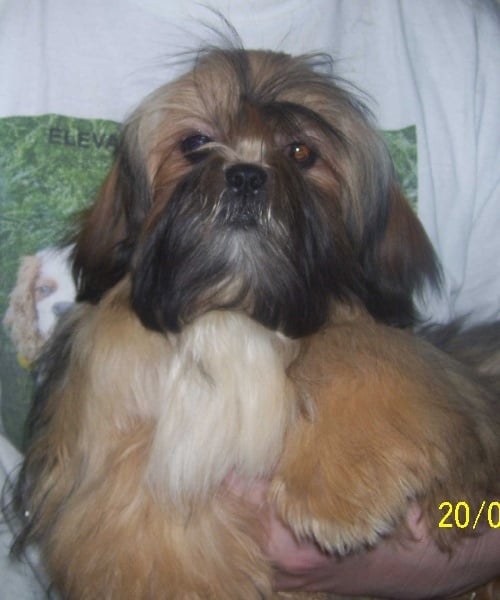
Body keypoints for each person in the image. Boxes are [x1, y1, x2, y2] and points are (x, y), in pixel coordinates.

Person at [0, 1, 499, 597]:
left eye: (300, 156)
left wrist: (441, 550)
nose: (244, 173)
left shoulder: (469, 50)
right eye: (195, 146)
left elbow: (488, 516)